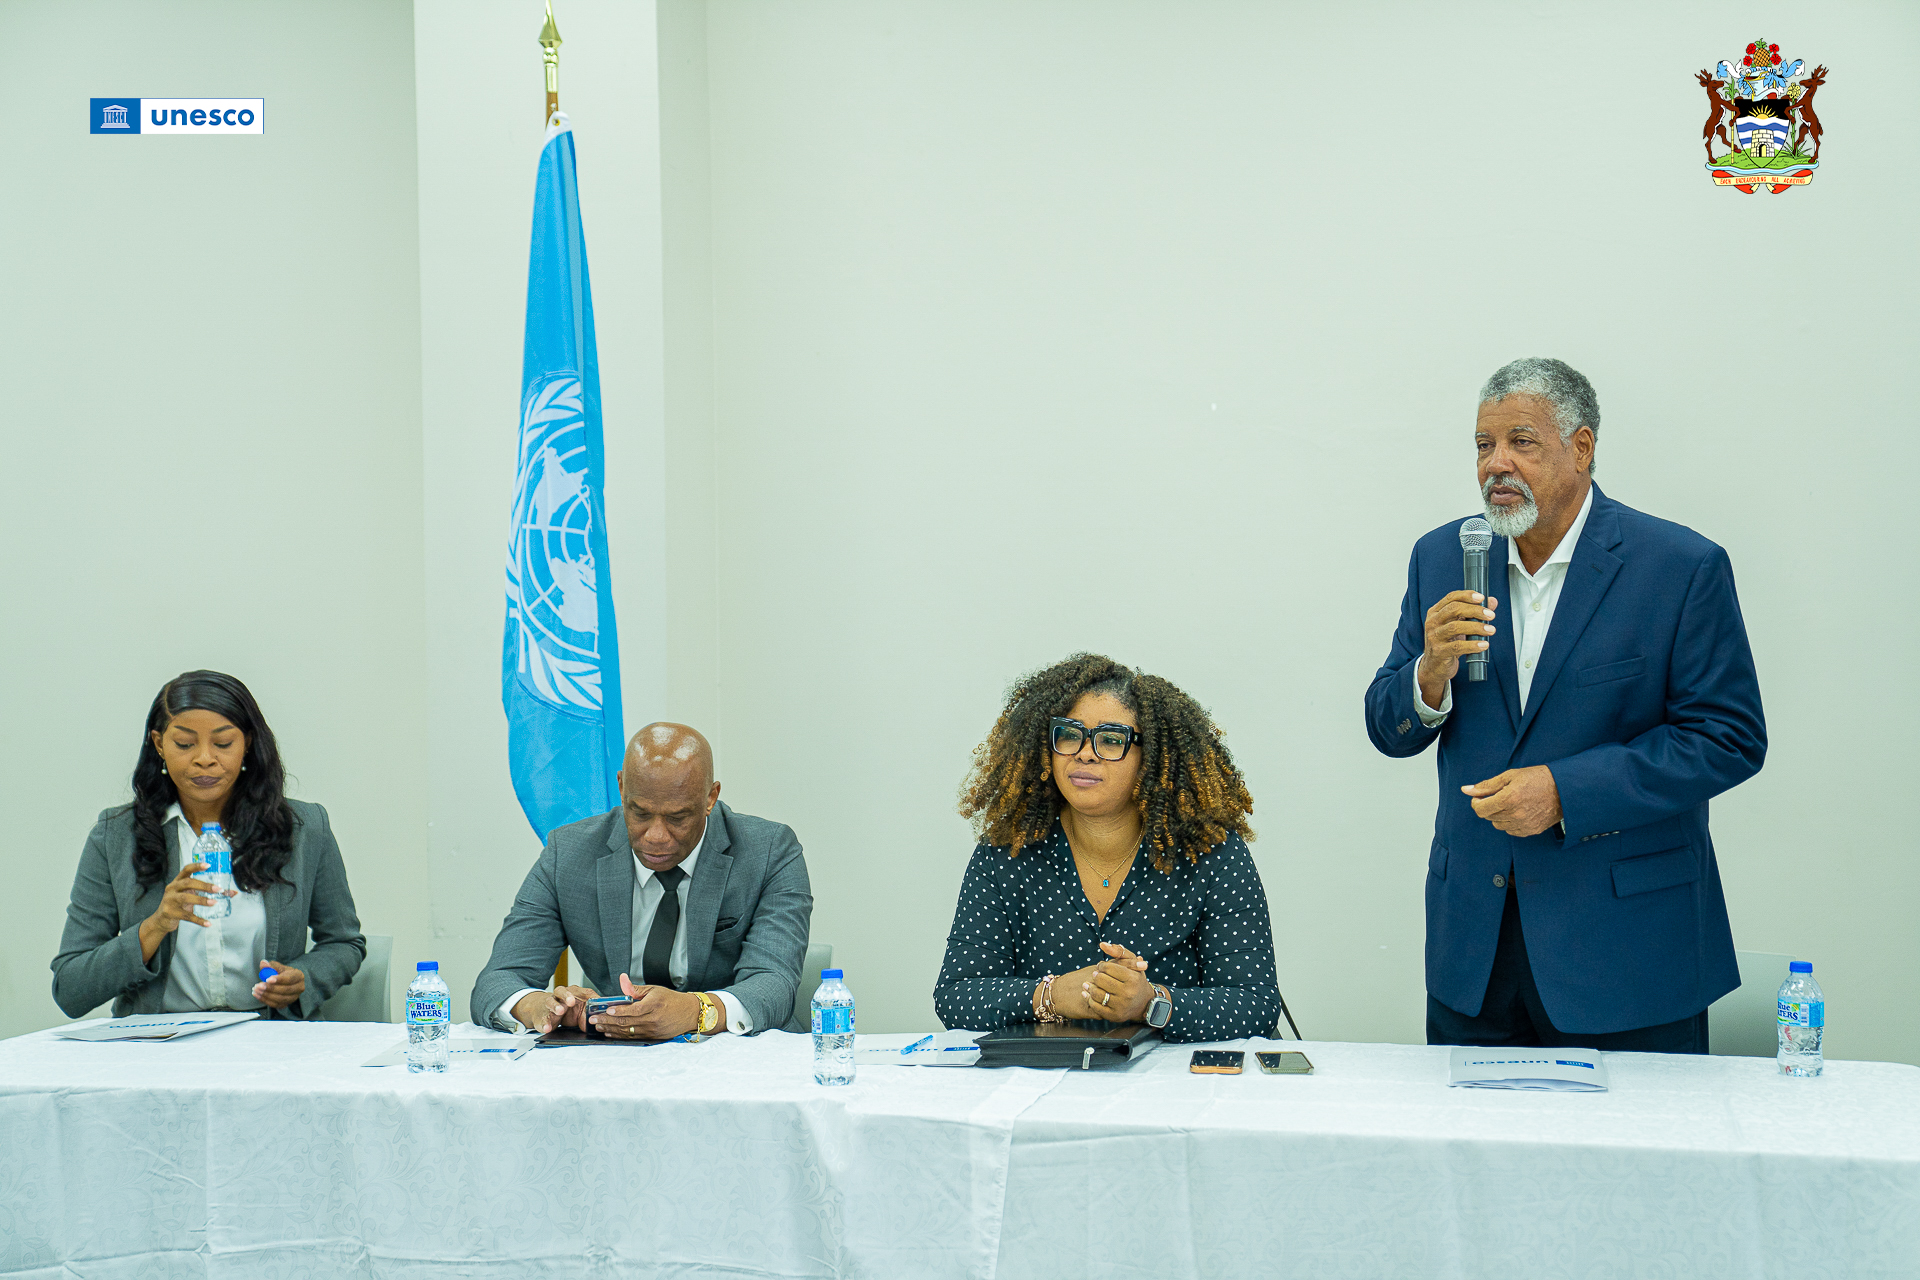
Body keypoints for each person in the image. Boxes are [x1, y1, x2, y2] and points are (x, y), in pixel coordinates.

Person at [1365, 357, 1766, 1053]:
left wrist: (1565, 792)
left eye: (1521, 441)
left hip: (1629, 952)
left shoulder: (1678, 567)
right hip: (1475, 953)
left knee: (1635, 1162)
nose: (1497, 464)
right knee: (1474, 1160)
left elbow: (1729, 737)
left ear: (1581, 448)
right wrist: (1428, 676)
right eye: (1484, 446)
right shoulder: (1442, 557)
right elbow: (1387, 726)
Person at [934, 654, 1281, 1043]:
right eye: (1068, 734)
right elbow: (956, 996)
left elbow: (1255, 1005)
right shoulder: (1006, 851)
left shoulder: (1212, 853)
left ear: (1152, 757)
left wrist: (1150, 1002)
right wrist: (1054, 995)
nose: (1084, 752)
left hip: (1184, 1089)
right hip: (1046, 1085)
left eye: (1111, 740)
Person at [52, 671, 366, 1019]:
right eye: (185, 744)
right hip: (159, 1047)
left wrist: (303, 978)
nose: (204, 758)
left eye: (223, 743)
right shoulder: (115, 834)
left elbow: (343, 943)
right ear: (159, 744)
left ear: (247, 742)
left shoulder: (304, 828)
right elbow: (70, 988)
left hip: (270, 1041)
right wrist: (156, 925)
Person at [472, 722, 812, 1040]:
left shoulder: (769, 852)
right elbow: (496, 981)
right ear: (621, 787)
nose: (656, 836)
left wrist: (695, 1010)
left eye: (677, 817)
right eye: (640, 813)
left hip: (736, 1057)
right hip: (613, 1057)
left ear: (711, 798)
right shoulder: (570, 854)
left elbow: (773, 985)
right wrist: (537, 1006)